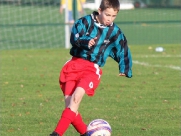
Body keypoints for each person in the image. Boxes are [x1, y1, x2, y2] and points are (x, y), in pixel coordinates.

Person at [50, 0, 132, 135]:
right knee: (71, 108)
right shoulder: (84, 22)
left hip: (91, 69)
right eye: (107, 15)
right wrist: (86, 41)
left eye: (113, 16)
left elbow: (123, 48)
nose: (110, 19)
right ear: (99, 10)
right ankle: (86, 133)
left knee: (76, 98)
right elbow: (76, 36)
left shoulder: (114, 31)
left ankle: (56, 134)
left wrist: (125, 68)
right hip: (73, 66)